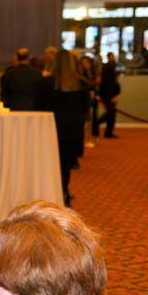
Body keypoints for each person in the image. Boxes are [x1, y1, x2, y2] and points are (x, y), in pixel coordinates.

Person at [43, 49, 90, 206]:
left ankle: (53, 192)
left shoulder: (47, 83)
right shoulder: (81, 83)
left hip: (51, 129)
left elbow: (38, 107)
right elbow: (85, 109)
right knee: (66, 165)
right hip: (73, 130)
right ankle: (63, 191)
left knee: (51, 164)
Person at [0, 47, 43, 111]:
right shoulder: (37, 74)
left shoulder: (7, 75)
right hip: (33, 109)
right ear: (28, 58)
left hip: (14, 109)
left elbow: (4, 95)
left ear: (17, 58)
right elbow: (41, 95)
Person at [96, 52, 121, 138]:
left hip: (108, 94)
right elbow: (109, 83)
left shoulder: (110, 67)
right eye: (111, 56)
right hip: (108, 94)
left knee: (111, 113)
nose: (113, 57)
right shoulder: (108, 68)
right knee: (111, 112)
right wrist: (112, 95)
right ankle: (99, 125)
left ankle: (107, 131)